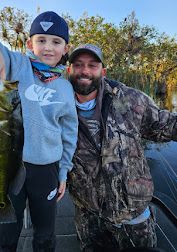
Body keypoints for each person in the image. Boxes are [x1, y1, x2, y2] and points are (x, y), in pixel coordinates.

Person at [0, 11, 78, 252]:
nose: (48, 47)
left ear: (66, 47)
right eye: (41, 40)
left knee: (45, 233)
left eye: (56, 41)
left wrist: (64, 172)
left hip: (47, 169)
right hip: (10, 165)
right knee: (6, 233)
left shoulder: (66, 89)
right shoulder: (17, 66)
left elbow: (69, 134)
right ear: (29, 43)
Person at [67, 44, 177, 251]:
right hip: (89, 215)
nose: (85, 71)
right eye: (78, 65)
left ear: (103, 72)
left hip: (132, 213)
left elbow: (165, 124)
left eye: (92, 65)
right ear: (69, 70)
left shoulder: (129, 98)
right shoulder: (56, 105)